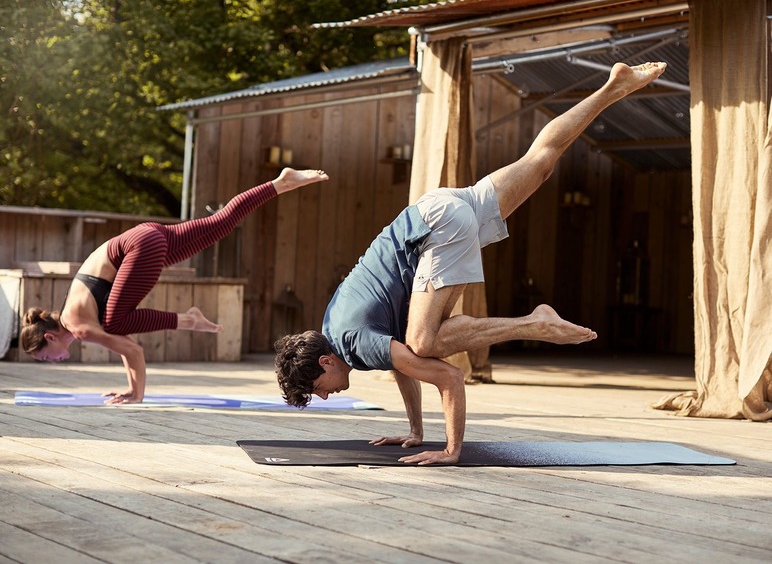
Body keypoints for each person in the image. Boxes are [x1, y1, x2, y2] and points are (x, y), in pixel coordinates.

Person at [274, 62, 668, 465]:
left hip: (436, 230)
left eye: (317, 388)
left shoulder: (354, 342)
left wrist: (450, 450)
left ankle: (533, 323)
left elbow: (448, 375)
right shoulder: (334, 328)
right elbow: (403, 367)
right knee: (543, 160)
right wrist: (415, 430)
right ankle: (613, 86)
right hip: (439, 209)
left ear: (325, 363)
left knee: (425, 342)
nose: (325, 395)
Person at [21, 167, 329, 404]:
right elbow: (126, 346)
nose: (53, 362)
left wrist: (136, 394)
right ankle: (281, 182)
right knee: (221, 223)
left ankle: (189, 319)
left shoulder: (79, 327)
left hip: (139, 247)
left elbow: (132, 350)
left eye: (47, 355)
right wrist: (131, 386)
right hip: (145, 240)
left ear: (51, 336)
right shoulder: (76, 318)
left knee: (114, 322)